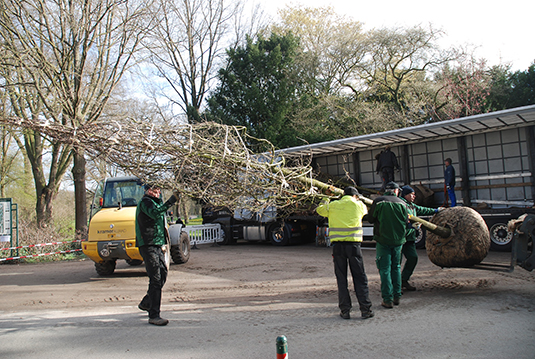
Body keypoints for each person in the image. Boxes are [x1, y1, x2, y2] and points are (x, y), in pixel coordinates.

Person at [316, 186, 374, 320]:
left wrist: (326, 197)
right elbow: (366, 210)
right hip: (354, 246)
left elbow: (320, 210)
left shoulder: (333, 205)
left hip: (338, 247)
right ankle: (365, 309)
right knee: (360, 277)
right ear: (355, 196)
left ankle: (345, 310)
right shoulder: (359, 205)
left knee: (341, 279)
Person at [136, 184, 178, 326]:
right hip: (148, 244)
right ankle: (154, 315)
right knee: (156, 278)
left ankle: (147, 302)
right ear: (148, 191)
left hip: (157, 244)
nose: (158, 193)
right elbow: (155, 213)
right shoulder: (146, 202)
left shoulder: (154, 202)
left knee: (163, 273)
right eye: (155, 191)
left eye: (159, 190)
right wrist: (170, 201)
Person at [367, 181, 408, 309]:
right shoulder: (403, 203)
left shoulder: (379, 202)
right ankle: (397, 296)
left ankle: (387, 299)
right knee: (396, 267)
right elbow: (406, 221)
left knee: (384, 269)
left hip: (383, 240)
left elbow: (371, 218)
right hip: (398, 241)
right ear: (396, 191)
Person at [399, 185, 442, 292]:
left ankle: (404, 279)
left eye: (414, 194)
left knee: (413, 258)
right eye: (411, 194)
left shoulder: (411, 206)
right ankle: (395, 284)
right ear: (405, 195)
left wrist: (436, 210)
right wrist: (408, 226)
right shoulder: (400, 204)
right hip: (400, 238)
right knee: (396, 263)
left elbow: (422, 210)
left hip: (409, 239)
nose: (414, 196)